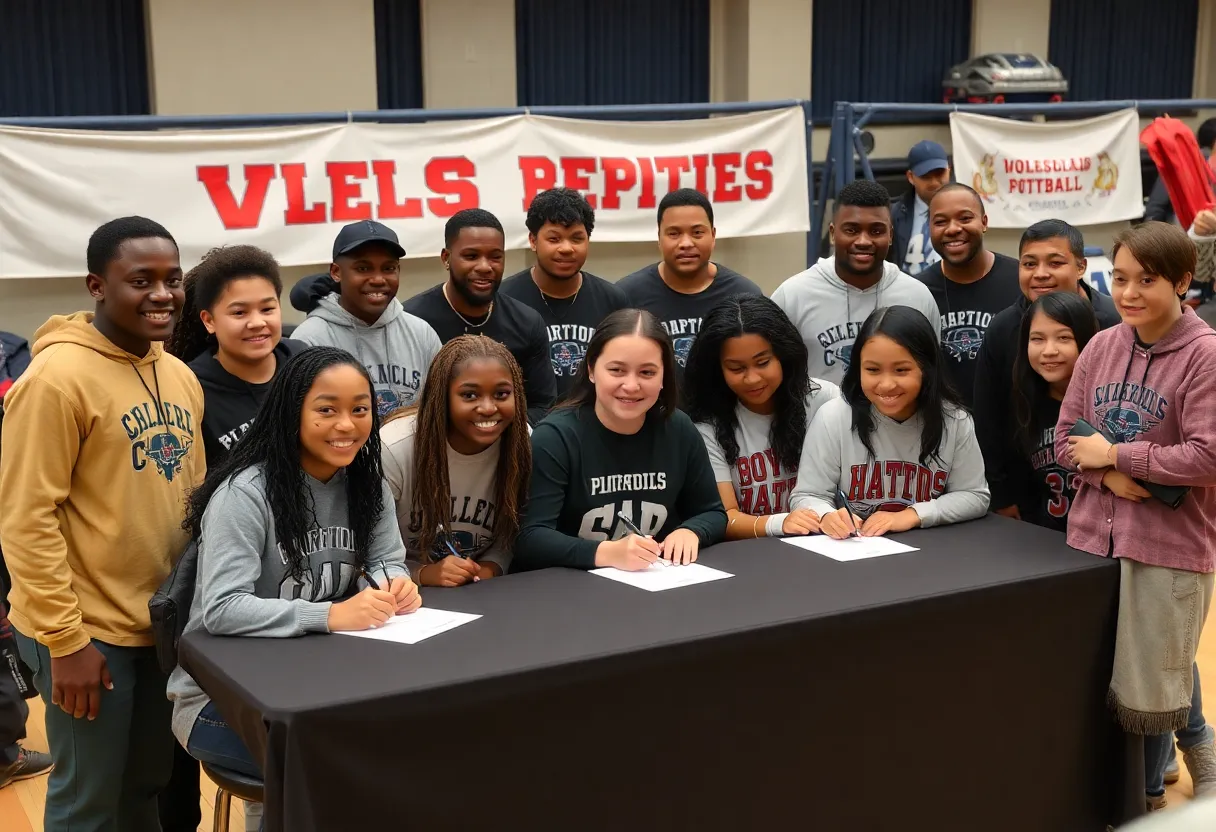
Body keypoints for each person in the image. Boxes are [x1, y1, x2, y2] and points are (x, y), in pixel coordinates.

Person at [0, 217, 205, 832]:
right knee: (87, 803)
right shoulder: (55, 381)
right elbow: (25, 519)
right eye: (140, 280)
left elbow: (190, 500)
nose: (163, 294)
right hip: (87, 632)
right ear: (97, 285)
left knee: (143, 787)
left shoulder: (179, 373)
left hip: (156, 623)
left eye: (172, 279)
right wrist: (66, 642)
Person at [166, 347, 421, 791]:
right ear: (292, 413)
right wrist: (328, 615)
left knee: (400, 747)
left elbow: (387, 559)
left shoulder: (368, 485)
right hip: (221, 702)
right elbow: (222, 609)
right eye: (327, 410)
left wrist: (396, 586)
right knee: (327, 770)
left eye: (360, 409)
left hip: (320, 681)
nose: (346, 424)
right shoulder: (244, 494)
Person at [1056, 221, 1216, 810]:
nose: (1128, 293)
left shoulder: (1205, 356)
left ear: (1182, 281)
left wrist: (1121, 454)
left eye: (1146, 280)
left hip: (1167, 546)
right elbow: (1068, 431)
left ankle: (1148, 793)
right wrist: (1107, 473)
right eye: (1120, 278)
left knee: (1151, 684)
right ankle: (1166, 769)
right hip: (1092, 541)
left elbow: (1209, 455)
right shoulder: (1102, 345)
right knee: (1118, 676)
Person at [513, 309, 727, 572]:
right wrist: (605, 553)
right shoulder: (555, 438)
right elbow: (530, 537)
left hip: (656, 582)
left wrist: (692, 531)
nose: (631, 385)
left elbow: (713, 512)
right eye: (616, 370)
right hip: (572, 591)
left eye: (647, 373)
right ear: (591, 370)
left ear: (664, 376)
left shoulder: (679, 428)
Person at [790, 305, 989, 538]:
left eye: (901, 370)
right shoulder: (834, 417)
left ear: (927, 369)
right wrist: (826, 515)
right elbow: (806, 495)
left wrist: (911, 515)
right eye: (873, 370)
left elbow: (974, 495)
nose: (886, 385)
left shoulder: (955, 420)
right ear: (858, 369)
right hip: (856, 548)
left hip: (930, 550)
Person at [973, 219, 1120, 522]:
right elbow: (989, 419)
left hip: (1110, 500)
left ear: (1081, 267)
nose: (1041, 273)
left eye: (1055, 262)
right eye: (1029, 263)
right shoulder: (1003, 329)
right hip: (1031, 498)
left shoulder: (1114, 323)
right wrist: (1001, 495)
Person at [683, 295, 839, 540]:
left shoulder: (824, 399)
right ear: (717, 369)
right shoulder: (706, 423)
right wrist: (780, 523)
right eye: (736, 368)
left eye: (763, 362)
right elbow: (724, 516)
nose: (753, 378)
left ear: (783, 356)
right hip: (752, 555)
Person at [381, 335, 532, 586]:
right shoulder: (394, 448)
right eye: (470, 395)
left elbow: (515, 530)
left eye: (502, 394)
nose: (487, 407)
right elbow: (368, 554)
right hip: (407, 596)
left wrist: (492, 565)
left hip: (483, 590)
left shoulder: (522, 443)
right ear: (442, 397)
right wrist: (423, 574)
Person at [772, 179, 941, 387]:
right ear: (833, 234)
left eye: (876, 231)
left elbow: (931, 379)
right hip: (816, 419)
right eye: (851, 230)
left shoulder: (916, 296)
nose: (863, 241)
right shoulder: (792, 296)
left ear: (890, 235)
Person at [404, 209, 557, 424]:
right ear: (446, 258)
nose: (485, 267)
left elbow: (542, 405)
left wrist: (496, 433)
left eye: (495, 257)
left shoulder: (526, 322)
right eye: (471, 256)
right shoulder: (413, 322)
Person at [167, 244, 306, 466]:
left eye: (267, 309)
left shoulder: (303, 361)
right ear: (209, 321)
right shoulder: (190, 386)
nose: (257, 323)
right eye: (239, 312)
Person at [291, 220, 442, 416]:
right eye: (363, 269)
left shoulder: (421, 333)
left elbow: (439, 411)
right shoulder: (309, 340)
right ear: (336, 272)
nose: (378, 279)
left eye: (388, 268)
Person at [616, 189, 762, 375]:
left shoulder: (744, 294)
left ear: (713, 235)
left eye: (697, 233)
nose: (686, 243)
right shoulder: (626, 296)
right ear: (659, 237)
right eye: (674, 234)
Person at [499, 187, 628, 397]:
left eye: (576, 238)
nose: (567, 248)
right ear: (533, 241)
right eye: (554, 239)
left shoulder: (613, 300)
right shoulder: (505, 298)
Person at [916, 183, 1022, 406]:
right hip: (946, 431)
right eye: (940, 222)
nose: (953, 229)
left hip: (1013, 427)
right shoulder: (918, 291)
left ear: (984, 222)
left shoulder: (1020, 280)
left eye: (965, 218)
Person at [1008, 291, 1099, 532]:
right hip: (1047, 542)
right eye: (1037, 339)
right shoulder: (1025, 404)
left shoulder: (1105, 404)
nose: (1049, 351)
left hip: (1103, 543)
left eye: (1063, 338)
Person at [889, 140, 951, 276]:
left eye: (939, 174)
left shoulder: (964, 210)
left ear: (949, 170)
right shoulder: (893, 215)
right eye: (926, 176)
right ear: (911, 177)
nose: (934, 183)